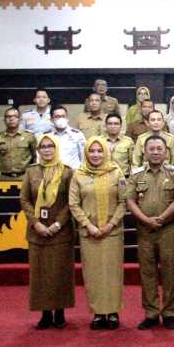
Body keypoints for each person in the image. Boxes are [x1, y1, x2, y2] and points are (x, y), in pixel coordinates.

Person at [68, 137, 127, 330]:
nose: (95, 155)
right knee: (93, 275)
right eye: (91, 151)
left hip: (112, 233)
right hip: (89, 234)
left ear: (106, 153)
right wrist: (88, 226)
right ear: (86, 153)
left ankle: (113, 312)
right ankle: (99, 314)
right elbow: (73, 204)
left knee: (112, 274)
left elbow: (124, 202)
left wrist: (111, 224)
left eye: (99, 151)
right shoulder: (79, 175)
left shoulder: (116, 172)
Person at [127, 136, 174, 331]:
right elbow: (130, 201)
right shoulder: (136, 175)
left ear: (166, 152)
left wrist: (160, 219)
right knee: (147, 273)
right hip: (144, 231)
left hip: (168, 229)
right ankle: (151, 313)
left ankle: (169, 313)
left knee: (170, 272)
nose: (155, 152)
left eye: (159, 148)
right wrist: (146, 220)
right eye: (151, 149)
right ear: (144, 152)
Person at [20, 134, 75, 330]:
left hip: (61, 231)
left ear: (56, 148)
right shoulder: (31, 171)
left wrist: (58, 224)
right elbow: (24, 199)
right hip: (37, 232)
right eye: (43, 146)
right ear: (38, 150)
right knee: (40, 274)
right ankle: (45, 313)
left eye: (50, 146)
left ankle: (59, 313)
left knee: (60, 272)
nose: (47, 149)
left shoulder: (67, 172)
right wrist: (35, 223)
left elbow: (71, 202)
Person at [0, 107, 37, 180]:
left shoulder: (29, 137)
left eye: (15, 116)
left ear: (19, 119)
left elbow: (35, 157)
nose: (11, 119)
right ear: (4, 120)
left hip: (24, 177)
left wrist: (35, 175)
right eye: (8, 117)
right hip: (4, 177)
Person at [50, 105, 85, 170]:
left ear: (67, 118)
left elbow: (83, 156)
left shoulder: (77, 135)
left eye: (63, 116)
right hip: (53, 173)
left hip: (73, 173)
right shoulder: (48, 136)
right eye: (57, 116)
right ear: (51, 119)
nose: (61, 119)